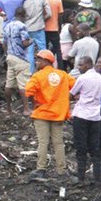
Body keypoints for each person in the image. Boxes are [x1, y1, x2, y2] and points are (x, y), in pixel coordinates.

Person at [25, 50, 75, 180]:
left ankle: (41, 169)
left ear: (45, 61)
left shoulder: (38, 76)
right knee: (58, 143)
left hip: (42, 114)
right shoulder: (63, 75)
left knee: (43, 142)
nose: (36, 62)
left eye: (38, 60)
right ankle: (61, 171)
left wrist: (33, 105)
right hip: (58, 114)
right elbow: (76, 86)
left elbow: (28, 91)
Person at [70, 56, 101, 184]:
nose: (79, 67)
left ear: (88, 65)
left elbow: (71, 94)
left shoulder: (82, 78)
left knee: (81, 146)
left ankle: (80, 177)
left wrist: (78, 96)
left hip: (82, 115)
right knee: (95, 147)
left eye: (81, 65)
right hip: (95, 116)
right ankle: (97, 178)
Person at [4, 7, 33, 115]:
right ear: (23, 15)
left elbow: (4, 43)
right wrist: (31, 41)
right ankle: (26, 109)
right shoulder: (22, 26)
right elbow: (24, 43)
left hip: (10, 56)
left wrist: (6, 53)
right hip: (21, 58)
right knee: (23, 84)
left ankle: (8, 109)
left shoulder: (7, 26)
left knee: (9, 84)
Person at [21, 0, 51, 73]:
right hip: (39, 28)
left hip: (28, 29)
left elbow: (23, 16)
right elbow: (49, 14)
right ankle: (45, 71)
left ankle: (30, 72)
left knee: (29, 52)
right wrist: (42, 20)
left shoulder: (25, 2)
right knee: (42, 50)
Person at [43, 0, 64, 67]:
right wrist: (60, 27)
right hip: (54, 29)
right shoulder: (58, 0)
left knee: (44, 49)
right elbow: (60, 15)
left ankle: (44, 67)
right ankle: (62, 68)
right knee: (58, 50)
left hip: (43, 29)